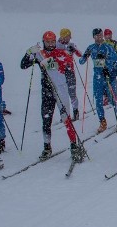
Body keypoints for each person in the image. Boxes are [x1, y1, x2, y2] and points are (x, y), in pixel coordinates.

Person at [21, 31, 84, 162]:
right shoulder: (39, 54)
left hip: (61, 90)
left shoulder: (60, 52)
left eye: (52, 42)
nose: (50, 44)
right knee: (46, 121)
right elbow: (23, 65)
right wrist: (28, 52)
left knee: (66, 119)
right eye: (47, 42)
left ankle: (74, 146)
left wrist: (55, 61)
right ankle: (47, 147)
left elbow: (68, 64)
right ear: (43, 42)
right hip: (47, 91)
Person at [79, 28, 117, 133]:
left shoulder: (107, 47)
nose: (99, 37)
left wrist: (106, 57)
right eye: (97, 36)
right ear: (93, 37)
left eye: (101, 35)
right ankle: (102, 121)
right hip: (97, 78)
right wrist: (85, 55)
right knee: (98, 101)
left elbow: (115, 58)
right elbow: (81, 61)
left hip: (108, 76)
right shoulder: (91, 48)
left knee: (113, 98)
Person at [58, 28, 83, 120]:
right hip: (60, 73)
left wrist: (74, 50)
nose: (70, 37)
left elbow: (80, 54)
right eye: (68, 36)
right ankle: (64, 114)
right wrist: (64, 52)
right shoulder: (57, 45)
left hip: (70, 71)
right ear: (63, 36)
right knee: (62, 94)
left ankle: (75, 112)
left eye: (70, 36)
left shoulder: (71, 44)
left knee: (72, 93)